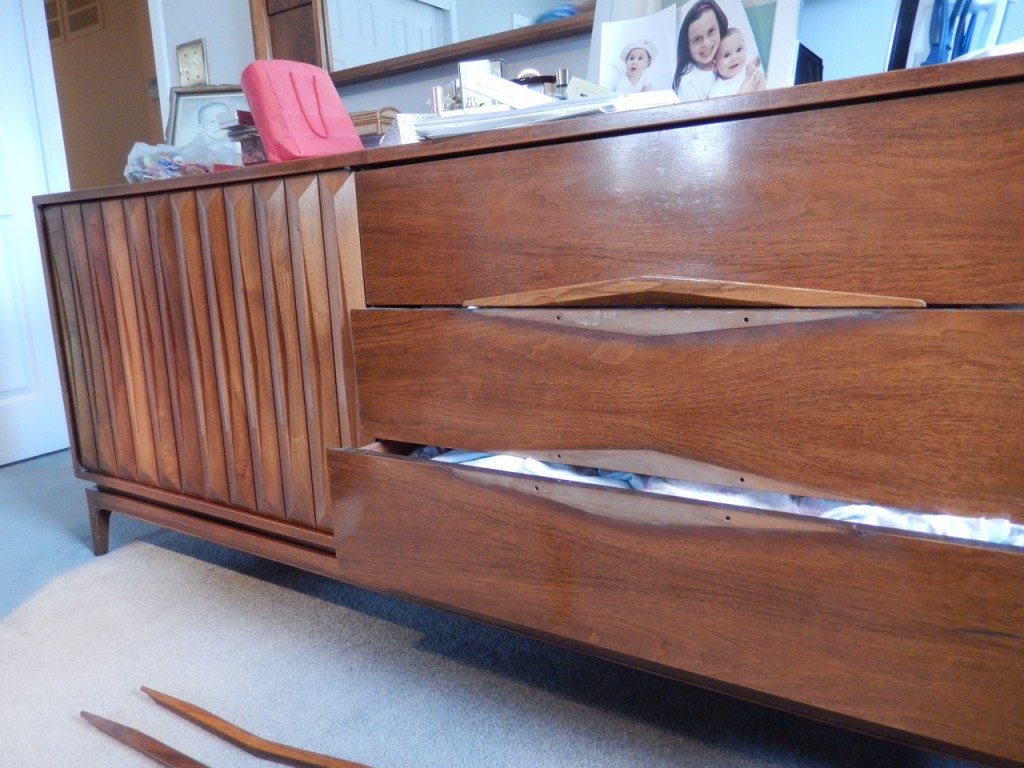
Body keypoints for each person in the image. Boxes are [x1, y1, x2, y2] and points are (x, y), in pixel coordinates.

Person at [672, 0, 764, 102]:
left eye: (711, 31)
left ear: (720, 28)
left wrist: (751, 66)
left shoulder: (717, 56)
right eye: (697, 39)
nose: (706, 43)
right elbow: (701, 117)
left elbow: (738, 70)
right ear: (687, 45)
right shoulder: (688, 83)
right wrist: (742, 95)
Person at [708, 27, 763, 98]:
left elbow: (756, 61)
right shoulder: (718, 91)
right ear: (714, 65)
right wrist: (743, 93)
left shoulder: (746, 69)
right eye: (726, 55)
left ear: (745, 48)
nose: (734, 57)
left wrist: (758, 60)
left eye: (739, 50)